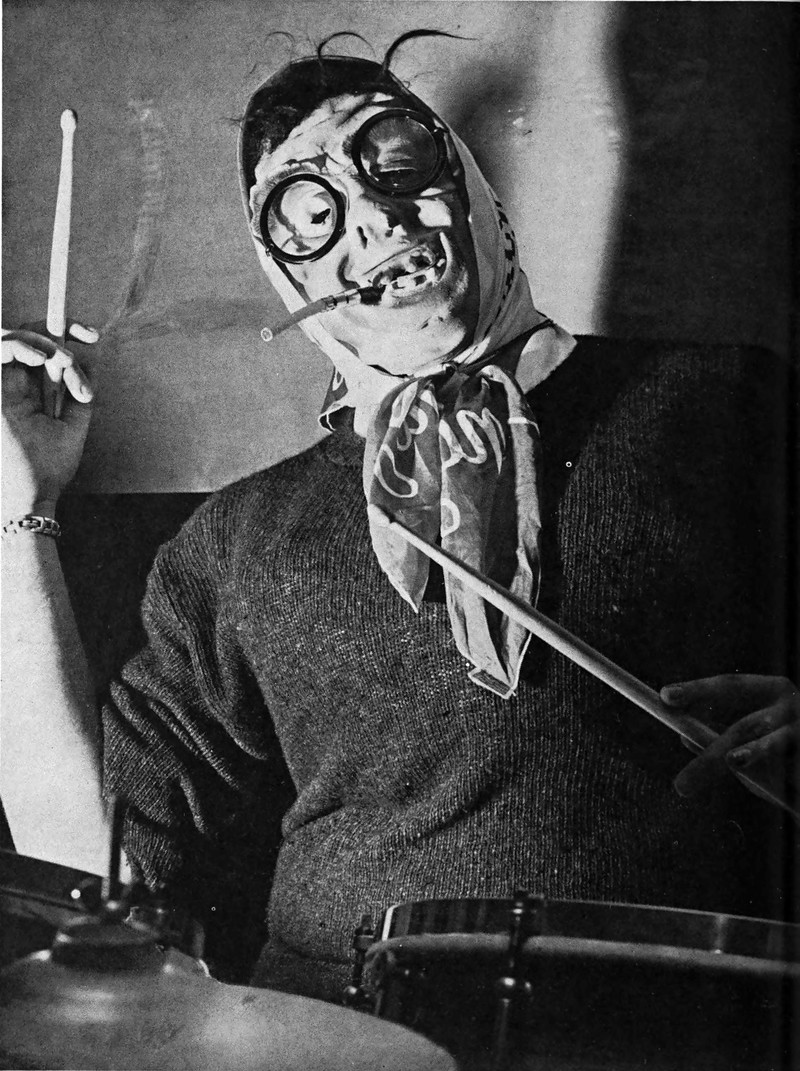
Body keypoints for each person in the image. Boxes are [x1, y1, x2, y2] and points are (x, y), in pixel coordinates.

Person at [2, 31, 798, 1002]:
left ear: (474, 192)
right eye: (312, 213)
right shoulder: (239, 542)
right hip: (346, 1030)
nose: (377, 219)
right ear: (291, 282)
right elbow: (99, 871)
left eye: (398, 162)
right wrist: (18, 511)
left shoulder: (725, 403)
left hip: (674, 1013)